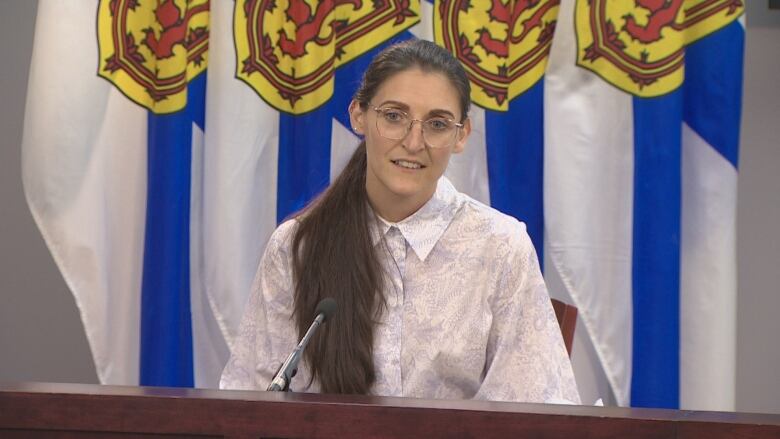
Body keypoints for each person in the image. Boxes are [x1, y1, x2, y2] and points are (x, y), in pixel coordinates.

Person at [220, 39, 580, 404]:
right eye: (394, 116)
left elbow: (534, 407)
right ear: (359, 115)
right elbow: (251, 401)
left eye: (437, 124)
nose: (413, 142)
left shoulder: (501, 247)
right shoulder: (299, 245)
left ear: (461, 135)